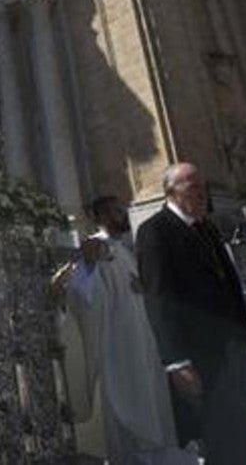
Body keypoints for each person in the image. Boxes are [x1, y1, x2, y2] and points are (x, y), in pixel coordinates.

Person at [134, 162, 246, 464]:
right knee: (222, 432)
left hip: (235, 347)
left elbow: (231, 289)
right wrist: (175, 360)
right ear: (171, 192)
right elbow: (159, 298)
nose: (202, 194)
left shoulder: (207, 228)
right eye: (194, 188)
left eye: (202, 188)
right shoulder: (155, 231)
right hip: (200, 352)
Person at [60, 195, 193, 464]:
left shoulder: (124, 250)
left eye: (122, 210)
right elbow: (81, 294)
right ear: (100, 217)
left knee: (150, 399)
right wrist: (88, 265)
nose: (122, 216)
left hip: (142, 337)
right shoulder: (97, 247)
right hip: (119, 343)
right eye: (116, 212)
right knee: (126, 403)